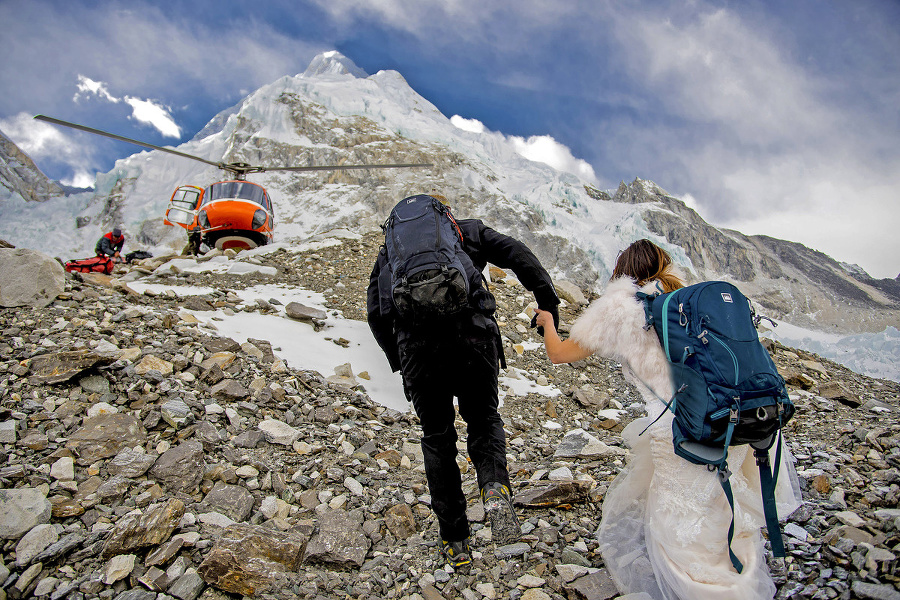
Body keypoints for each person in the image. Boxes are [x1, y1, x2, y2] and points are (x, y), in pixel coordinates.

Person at [534, 239, 801, 600]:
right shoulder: (688, 302)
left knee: (680, 526)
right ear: (664, 264)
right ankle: (742, 578)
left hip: (680, 432)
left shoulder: (619, 307)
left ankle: (708, 592)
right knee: (723, 510)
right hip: (729, 419)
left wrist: (549, 322)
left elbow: (559, 354)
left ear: (621, 271)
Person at [367, 193, 560, 568]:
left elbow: (376, 313)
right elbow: (518, 254)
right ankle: (493, 486)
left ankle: (455, 542)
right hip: (474, 338)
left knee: (437, 439)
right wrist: (547, 302)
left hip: (419, 353)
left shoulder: (390, 254)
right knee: (483, 419)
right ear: (444, 215)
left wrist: (400, 362)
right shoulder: (464, 232)